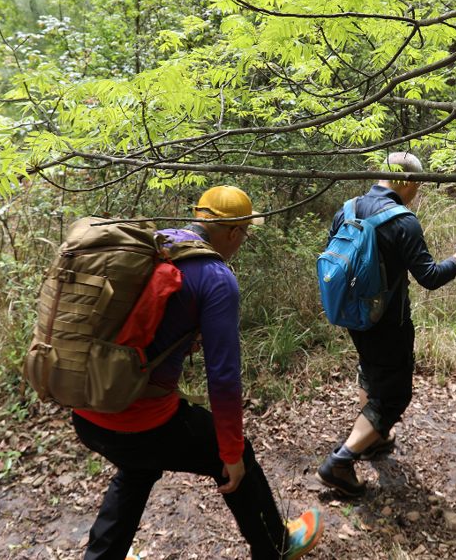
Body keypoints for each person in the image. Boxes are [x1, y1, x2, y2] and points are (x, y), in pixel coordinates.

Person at [72, 186, 323, 560]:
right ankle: (277, 545)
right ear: (235, 232)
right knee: (236, 460)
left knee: (137, 470)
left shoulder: (156, 243)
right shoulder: (216, 277)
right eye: (246, 233)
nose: (244, 240)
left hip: (86, 406)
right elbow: (223, 377)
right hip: (141, 422)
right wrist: (232, 452)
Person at [315, 153, 456, 498]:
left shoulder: (346, 209)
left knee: (370, 369)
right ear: (405, 181)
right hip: (389, 322)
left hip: (353, 315)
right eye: (416, 186)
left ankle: (376, 439)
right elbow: (430, 277)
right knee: (394, 396)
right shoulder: (403, 222)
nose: (416, 194)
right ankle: (341, 463)